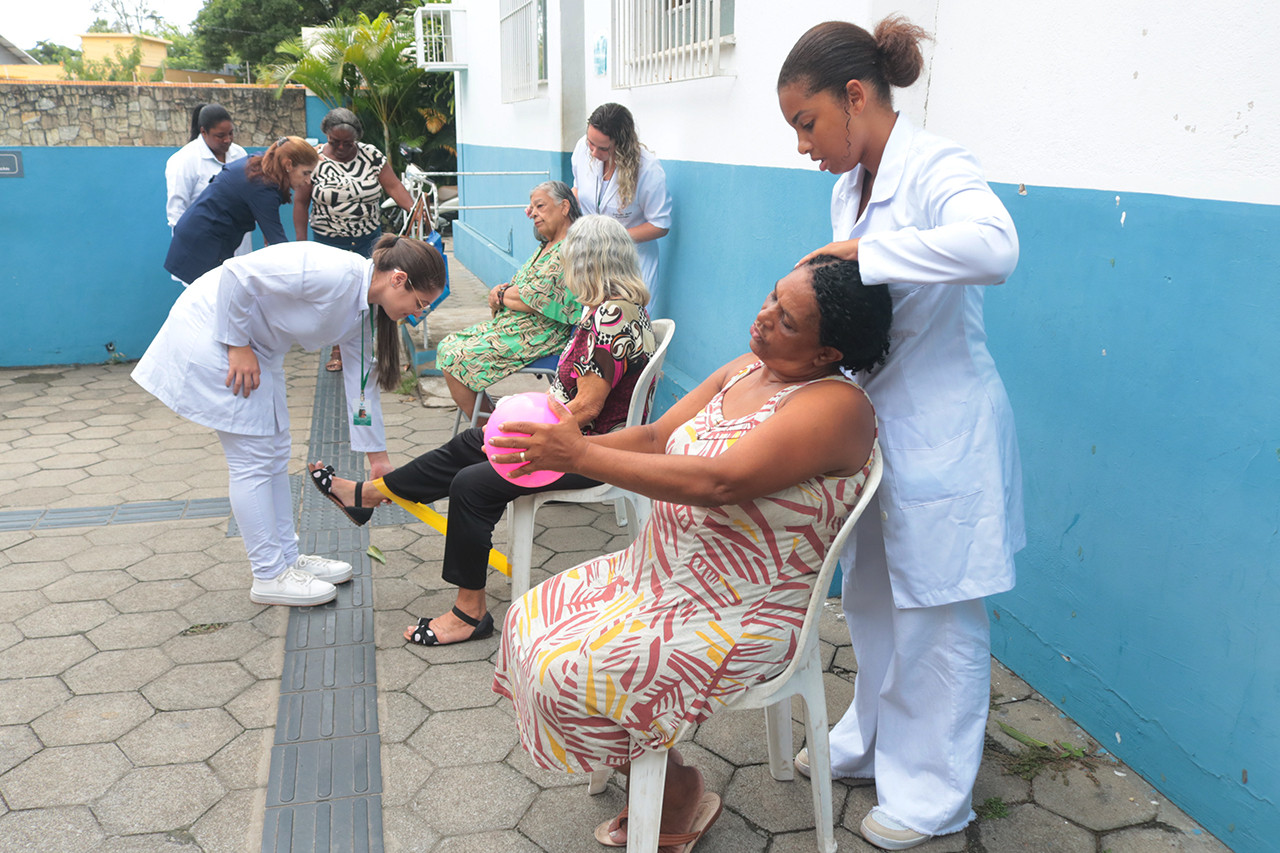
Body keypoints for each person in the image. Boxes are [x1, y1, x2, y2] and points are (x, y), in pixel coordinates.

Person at [490, 257, 892, 852]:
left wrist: (578, 457)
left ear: (827, 352)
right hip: (654, 574)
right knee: (527, 620)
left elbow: (720, 482)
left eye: (786, 320)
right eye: (771, 298)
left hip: (739, 609)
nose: (763, 318)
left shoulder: (836, 406)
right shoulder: (746, 369)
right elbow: (656, 438)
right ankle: (656, 774)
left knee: (563, 668)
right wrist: (565, 448)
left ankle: (673, 790)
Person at [776, 16, 1024, 850]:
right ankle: (871, 737)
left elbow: (996, 245)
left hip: (945, 426)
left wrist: (869, 251)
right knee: (874, 598)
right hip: (879, 426)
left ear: (855, 96)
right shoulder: (849, 181)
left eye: (807, 123)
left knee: (938, 617)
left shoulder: (936, 164)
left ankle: (933, 791)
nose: (804, 145)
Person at [307, 215, 654, 645]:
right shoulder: (611, 309)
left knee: (472, 485)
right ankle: (369, 496)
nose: (563, 271)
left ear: (587, 261)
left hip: (592, 453)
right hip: (575, 439)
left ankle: (469, 613)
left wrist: (531, 428)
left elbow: (587, 407)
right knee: (474, 440)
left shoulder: (612, 317)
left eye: (568, 261)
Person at [134, 236, 446, 606]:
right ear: (398, 279)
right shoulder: (332, 270)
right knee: (252, 461)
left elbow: (361, 386)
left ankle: (286, 558)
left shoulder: (363, 310)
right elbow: (237, 273)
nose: (417, 314)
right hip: (216, 335)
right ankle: (269, 575)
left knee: (276, 453)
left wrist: (377, 459)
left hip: (257, 348)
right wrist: (236, 344)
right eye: (419, 302)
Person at [435, 181, 584, 420]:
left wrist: (502, 296)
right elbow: (523, 287)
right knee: (448, 346)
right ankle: (490, 424)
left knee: (456, 357)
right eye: (532, 207)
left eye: (540, 206)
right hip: (515, 327)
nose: (533, 213)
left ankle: (487, 429)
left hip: (543, 334)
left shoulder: (572, 249)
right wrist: (504, 294)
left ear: (564, 207)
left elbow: (535, 297)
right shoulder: (546, 246)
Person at [292, 108, 425, 372]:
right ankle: (338, 348)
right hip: (329, 243)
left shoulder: (372, 156)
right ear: (326, 136)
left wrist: (414, 211)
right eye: (334, 142)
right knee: (335, 299)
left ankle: (368, 349)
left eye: (347, 143)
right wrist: (300, 245)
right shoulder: (314, 159)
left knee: (371, 297)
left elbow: (394, 187)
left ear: (357, 139)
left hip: (368, 240)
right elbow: (300, 202)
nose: (341, 147)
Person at [164, 136, 319, 286]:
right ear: (288, 164)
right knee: (212, 307)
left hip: (197, 237)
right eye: (306, 173)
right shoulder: (263, 186)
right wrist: (304, 279)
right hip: (200, 248)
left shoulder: (261, 163)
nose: (307, 181)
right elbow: (279, 245)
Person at [571, 103, 672, 309]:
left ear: (622, 144)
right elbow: (577, 190)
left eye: (603, 148)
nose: (593, 152)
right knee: (592, 327)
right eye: (591, 143)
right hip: (591, 258)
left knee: (627, 326)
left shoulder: (647, 169)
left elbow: (660, 224)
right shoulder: (583, 148)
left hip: (631, 262)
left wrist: (611, 238)